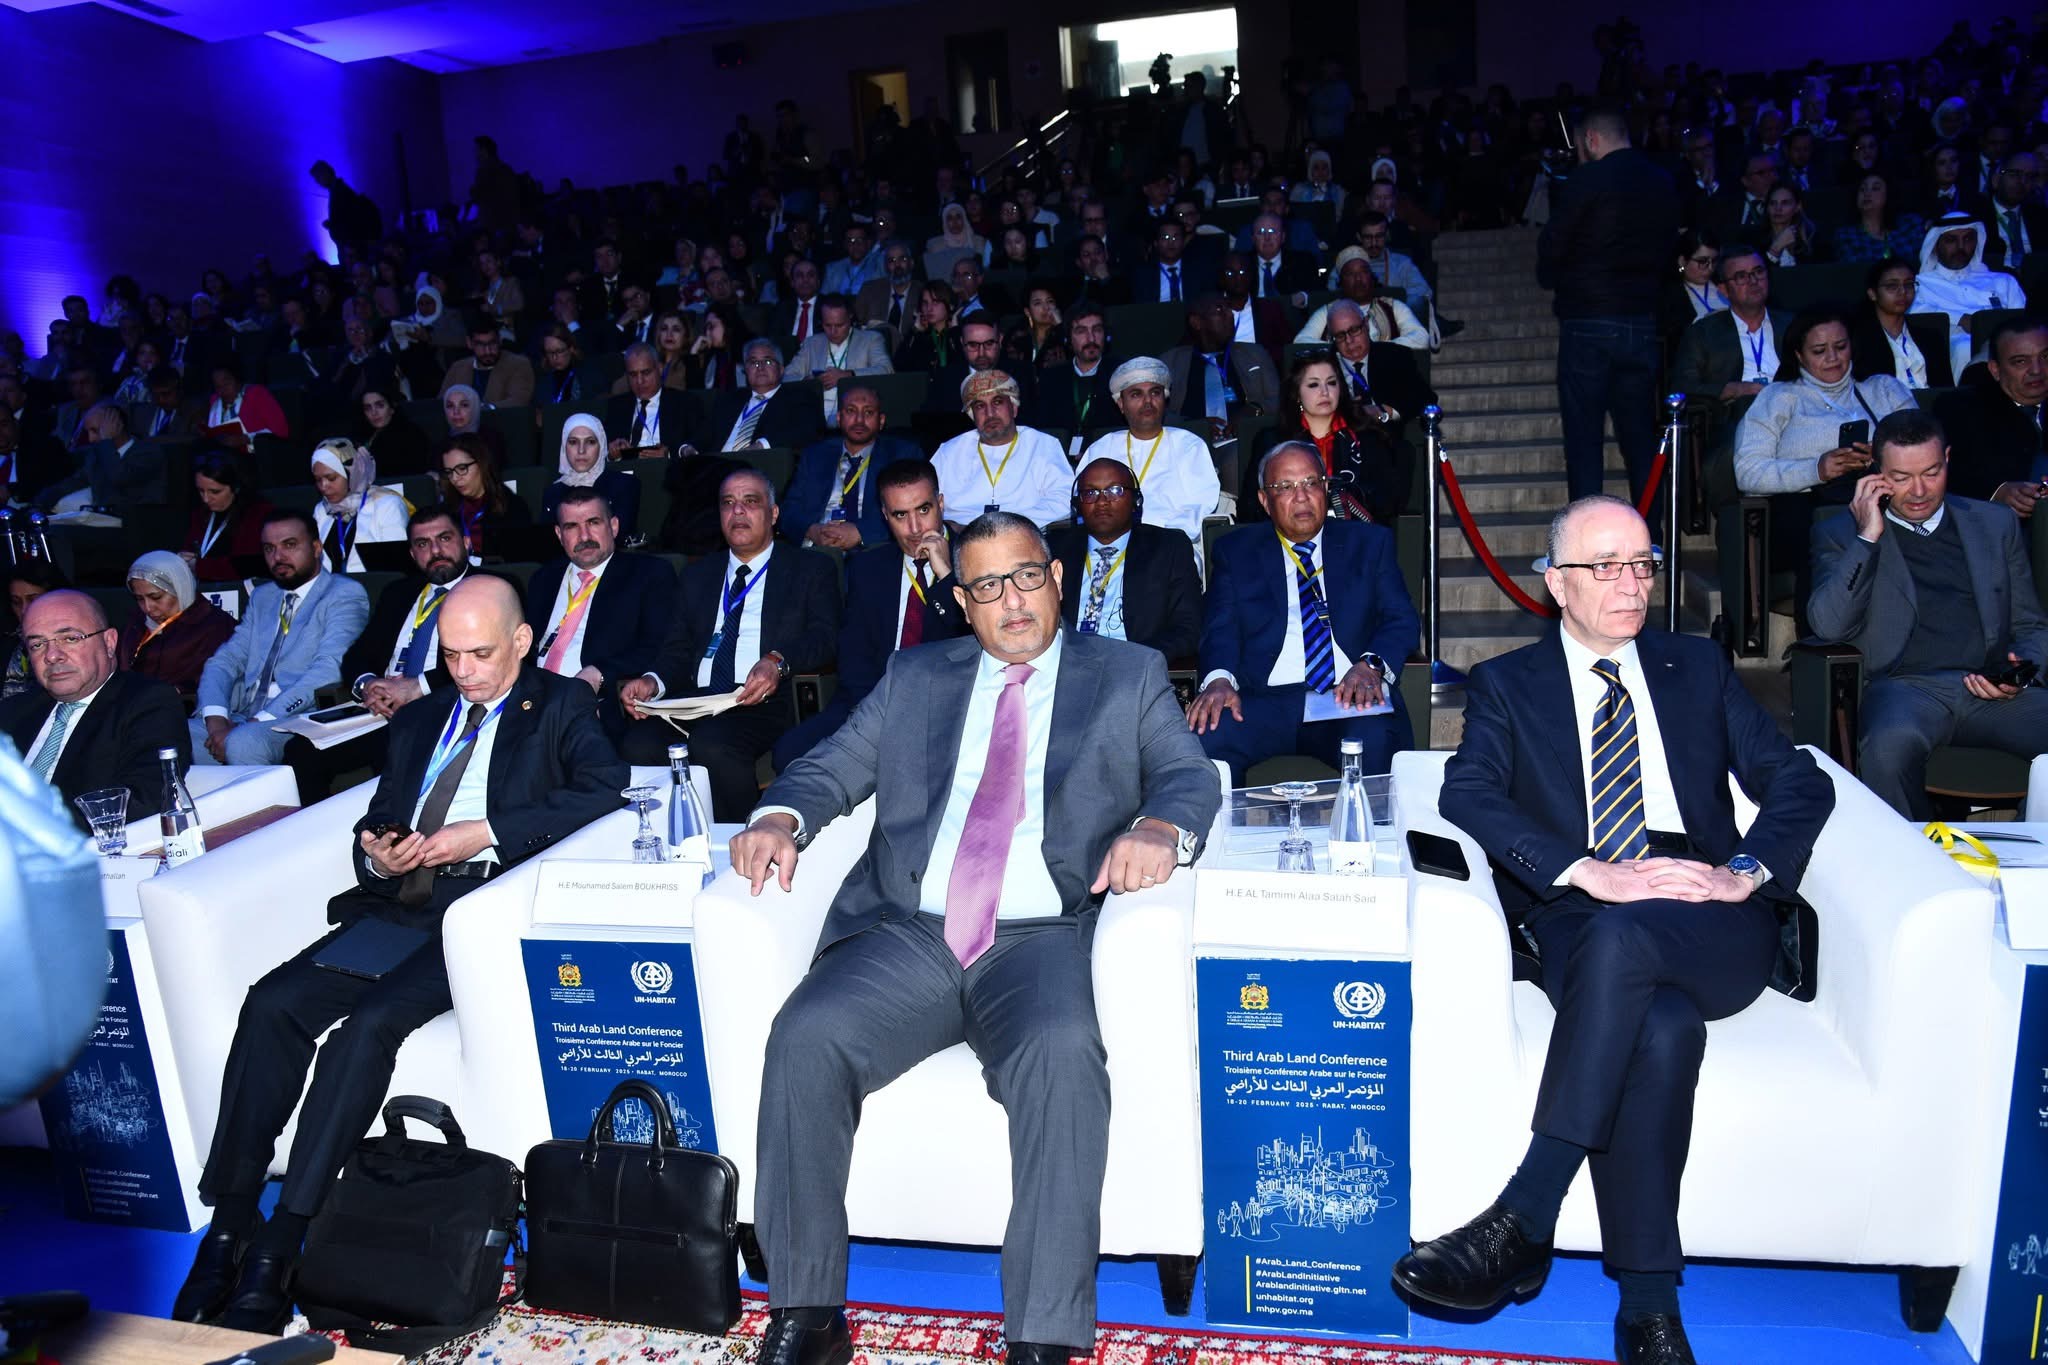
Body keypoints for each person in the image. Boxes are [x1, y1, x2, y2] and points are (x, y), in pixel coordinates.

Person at [727, 509, 1221, 1365]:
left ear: (1057, 578)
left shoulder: (1127, 673)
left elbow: (1188, 772)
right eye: (987, 586)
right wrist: (779, 816)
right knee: (804, 1034)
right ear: (962, 601)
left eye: (1026, 576)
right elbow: (834, 763)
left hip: (1042, 936)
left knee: (1063, 1054)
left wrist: (1159, 828)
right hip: (910, 932)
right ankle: (807, 1314)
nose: (1013, 601)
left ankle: (1042, 1338)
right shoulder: (916, 674)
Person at [1398, 494, 1834, 1365]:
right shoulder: (1509, 683)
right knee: (1660, 1027)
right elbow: (1466, 791)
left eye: (1642, 564)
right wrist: (1587, 869)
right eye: (1606, 567)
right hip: (1581, 911)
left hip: (1709, 913)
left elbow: (1799, 781)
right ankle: (1649, 1309)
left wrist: (1741, 871)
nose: (1632, 584)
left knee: (1631, 944)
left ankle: (1525, 1213)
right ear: (1556, 583)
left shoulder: (1695, 666)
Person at [173, 577, 624, 1333]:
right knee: (272, 1004)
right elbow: (383, 811)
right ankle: (230, 1220)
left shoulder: (561, 707)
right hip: (400, 902)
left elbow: (605, 791)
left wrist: (485, 832)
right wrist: (379, 851)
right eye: (452, 655)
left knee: (369, 1026)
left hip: (479, 908)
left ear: (521, 642)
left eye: (481, 654)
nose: (465, 671)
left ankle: (285, 1237)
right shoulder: (420, 718)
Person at [1809, 407, 2048, 819]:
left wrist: (2019, 673)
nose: (1919, 491)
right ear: (1876, 473)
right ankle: (1913, 853)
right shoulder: (1841, 535)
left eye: (1932, 472)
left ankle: (2032, 846)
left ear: (1948, 459)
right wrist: (1867, 538)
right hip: (1904, 689)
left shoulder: (1994, 523)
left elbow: (2031, 625)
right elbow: (1828, 626)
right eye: (1901, 478)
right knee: (1887, 749)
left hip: (1991, 687)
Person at [1187, 442, 1419, 782]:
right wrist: (1219, 680)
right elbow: (1220, 627)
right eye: (1285, 486)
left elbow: (1400, 618)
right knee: (1204, 734)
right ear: (1265, 500)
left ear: (1325, 489)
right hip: (1262, 699)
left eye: (1311, 482)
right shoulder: (1236, 552)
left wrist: (1370, 666)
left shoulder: (1369, 544)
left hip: (1346, 694)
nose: (1301, 496)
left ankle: (1372, 819)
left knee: (1375, 735)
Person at [619, 468, 842, 818]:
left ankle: (745, 834)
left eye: (750, 502)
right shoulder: (697, 575)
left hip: (763, 698)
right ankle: (673, 837)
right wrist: (653, 681)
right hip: (698, 701)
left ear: (773, 513)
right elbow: (677, 650)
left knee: (712, 742)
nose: (737, 511)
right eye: (728, 503)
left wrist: (777, 661)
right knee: (638, 743)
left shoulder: (810, 569)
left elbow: (824, 637)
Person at [770, 458, 973, 771]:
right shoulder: (868, 567)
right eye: (900, 515)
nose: (915, 528)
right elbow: (854, 654)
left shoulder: (973, 559)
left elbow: (975, 641)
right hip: (873, 703)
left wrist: (946, 575)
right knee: (789, 753)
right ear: (885, 516)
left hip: (947, 708)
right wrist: (877, 711)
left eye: (923, 510)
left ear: (941, 504)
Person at [282, 506, 480, 803]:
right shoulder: (398, 593)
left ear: (465, 542)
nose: (435, 551)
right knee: (300, 751)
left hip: (441, 703)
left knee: (392, 748)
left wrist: (416, 687)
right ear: (412, 554)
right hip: (381, 709)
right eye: (423, 544)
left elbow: (484, 660)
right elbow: (357, 655)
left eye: (444, 538)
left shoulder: (487, 588)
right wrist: (369, 685)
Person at [1537, 103, 1682, 503]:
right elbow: (1670, 249)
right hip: (1642, 319)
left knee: (1584, 439)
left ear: (1591, 139)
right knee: (1640, 439)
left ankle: (1585, 533)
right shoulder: (1662, 180)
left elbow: (1552, 248)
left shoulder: (1586, 180)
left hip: (1588, 318)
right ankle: (1650, 532)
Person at [190, 510, 371, 766]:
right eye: (269, 548)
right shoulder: (263, 597)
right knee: (173, 734)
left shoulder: (343, 593)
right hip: (243, 712)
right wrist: (216, 720)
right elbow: (225, 661)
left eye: (290, 545)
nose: (278, 557)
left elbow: (329, 670)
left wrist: (258, 720)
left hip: (298, 716)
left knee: (243, 742)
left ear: (316, 548)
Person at [0, 589, 191, 831]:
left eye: (70, 639)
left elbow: (143, 799)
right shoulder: (13, 711)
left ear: (109, 642)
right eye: (37, 644)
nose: (52, 656)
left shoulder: (147, 703)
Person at [525, 487, 677, 741]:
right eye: (572, 527)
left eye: (593, 522)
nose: (584, 536)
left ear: (614, 526)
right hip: (534, 702)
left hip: (599, 704)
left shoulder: (648, 574)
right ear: (559, 534)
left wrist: (600, 673)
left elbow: (659, 645)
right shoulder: (543, 579)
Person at [1733, 309, 1917, 500]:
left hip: (1887, 501)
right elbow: (1747, 473)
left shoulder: (1885, 389)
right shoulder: (1776, 397)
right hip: (1806, 507)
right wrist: (1816, 470)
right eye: (1819, 351)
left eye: (1841, 347)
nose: (1832, 357)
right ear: (1799, 355)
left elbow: (1925, 449)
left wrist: (1885, 455)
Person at [1049, 456, 1201, 659]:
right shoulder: (1054, 548)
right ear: (1077, 505)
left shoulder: (1169, 547)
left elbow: (1188, 629)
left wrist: (1133, 659)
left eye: (1115, 490)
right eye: (1090, 493)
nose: (1102, 501)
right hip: (1065, 661)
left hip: (1134, 662)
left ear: (1136, 501)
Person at [1254, 347, 1421, 527]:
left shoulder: (1368, 437)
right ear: (1297, 394)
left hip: (1355, 535)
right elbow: (1253, 508)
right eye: (1314, 385)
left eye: (1331, 383)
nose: (1325, 392)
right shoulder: (1273, 442)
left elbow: (1386, 503)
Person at [1076, 358, 1220, 549]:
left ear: (1164, 400)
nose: (1148, 402)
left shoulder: (1189, 445)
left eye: (1155, 393)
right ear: (1121, 404)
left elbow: (1200, 506)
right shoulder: (1101, 448)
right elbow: (1085, 502)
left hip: (1169, 544)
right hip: (1108, 543)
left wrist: (1157, 538)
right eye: (1136, 394)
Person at [783, 381, 920, 551]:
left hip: (872, 550)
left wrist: (860, 533)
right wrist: (812, 531)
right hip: (816, 550)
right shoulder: (815, 455)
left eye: (868, 412)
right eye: (851, 411)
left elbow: (911, 511)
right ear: (839, 418)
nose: (859, 420)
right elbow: (789, 509)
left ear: (881, 420)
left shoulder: (902, 454)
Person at [930, 370, 1073, 530]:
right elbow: (926, 500)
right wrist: (952, 528)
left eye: (997, 402)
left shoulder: (1043, 445)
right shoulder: (949, 452)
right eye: (980, 406)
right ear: (972, 415)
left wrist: (1008, 526)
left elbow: (1064, 499)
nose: (990, 413)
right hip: (961, 536)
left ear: (1014, 408)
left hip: (1024, 534)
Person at [1935, 316, 2048, 516]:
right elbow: (1946, 473)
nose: (2037, 370)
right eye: (2021, 361)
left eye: (2045, 357)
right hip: (1999, 524)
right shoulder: (1960, 410)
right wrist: (1997, 492)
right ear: (1995, 370)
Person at [1670, 246, 1791, 425]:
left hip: (1791, 408)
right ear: (1724, 290)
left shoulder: (1791, 325)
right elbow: (1682, 386)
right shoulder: (1704, 333)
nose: (1753, 281)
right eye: (1741, 276)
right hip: (1737, 416)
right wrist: (1731, 389)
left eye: (1758, 272)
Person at [1163, 296, 1280, 451]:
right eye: (1219, 310)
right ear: (1196, 322)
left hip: (1244, 443)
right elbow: (1158, 412)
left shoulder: (1254, 354)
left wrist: (1255, 409)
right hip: (1189, 445)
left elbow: (1280, 400)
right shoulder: (1171, 362)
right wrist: (1195, 426)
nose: (1230, 315)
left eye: (1229, 310)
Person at [118, 551, 238, 697]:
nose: (148, 607)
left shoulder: (215, 627)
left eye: (156, 597)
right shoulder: (135, 625)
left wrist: (179, 690)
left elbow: (221, 680)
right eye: (139, 599)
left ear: (180, 588)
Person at [1913, 217, 2020, 379]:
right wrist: (1960, 319)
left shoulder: (2004, 281)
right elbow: (1914, 314)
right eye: (1951, 240)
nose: (1961, 247)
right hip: (1951, 349)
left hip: (2003, 342)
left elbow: (2023, 317)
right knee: (1964, 347)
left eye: (1968, 239)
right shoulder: (1920, 284)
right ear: (1935, 245)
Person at [686, 338, 819, 454]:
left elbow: (807, 430)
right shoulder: (728, 400)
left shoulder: (798, 398)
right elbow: (702, 435)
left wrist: (761, 446)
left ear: (781, 369)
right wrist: (689, 448)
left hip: (763, 465)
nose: (760, 367)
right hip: (719, 465)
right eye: (753, 362)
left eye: (767, 362)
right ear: (745, 370)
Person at [34, 401, 168, 513]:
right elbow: (73, 483)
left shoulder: (148, 452)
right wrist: (39, 504)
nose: (90, 439)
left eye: (95, 431)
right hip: (103, 522)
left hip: (137, 523)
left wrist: (106, 441)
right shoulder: (97, 454)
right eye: (88, 432)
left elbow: (119, 477)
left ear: (117, 426)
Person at [1292, 251, 1430, 351]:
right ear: (1341, 282)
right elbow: (1300, 341)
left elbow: (1422, 337)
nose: (1358, 279)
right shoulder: (1327, 311)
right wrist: (1341, 348)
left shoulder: (1393, 306)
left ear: (1372, 277)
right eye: (1350, 274)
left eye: (1363, 272)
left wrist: (1376, 349)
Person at [1850, 260, 1954, 391]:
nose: (1903, 292)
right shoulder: (1859, 339)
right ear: (1873, 294)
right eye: (1892, 286)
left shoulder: (1931, 338)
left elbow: (1947, 390)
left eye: (1909, 285)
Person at [789, 294, 893, 425]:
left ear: (850, 317)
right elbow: (786, 376)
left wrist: (848, 375)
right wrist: (809, 382)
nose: (833, 331)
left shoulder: (871, 339)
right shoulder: (811, 344)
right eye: (827, 325)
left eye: (839, 325)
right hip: (814, 413)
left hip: (854, 414)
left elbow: (886, 370)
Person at [309, 439, 409, 575]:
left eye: (331, 478)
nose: (323, 486)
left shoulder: (388, 505)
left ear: (353, 473)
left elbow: (396, 568)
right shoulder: (321, 510)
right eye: (318, 480)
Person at [1023, 303, 1116, 444]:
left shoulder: (1119, 373)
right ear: (1068, 338)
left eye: (1097, 330)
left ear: (1106, 335)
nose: (1091, 339)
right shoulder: (1051, 378)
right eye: (1081, 331)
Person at [542, 413, 643, 537]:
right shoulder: (553, 493)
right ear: (564, 447)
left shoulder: (624, 485)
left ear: (601, 446)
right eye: (573, 442)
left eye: (590, 442)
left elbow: (620, 536)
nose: (581, 450)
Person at [180, 453, 275, 583]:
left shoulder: (259, 513)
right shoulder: (201, 513)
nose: (206, 499)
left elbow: (252, 565)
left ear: (236, 487)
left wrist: (200, 567)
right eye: (201, 491)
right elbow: (190, 548)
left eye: (215, 492)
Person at [439, 435, 532, 559]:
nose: (455, 478)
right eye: (449, 472)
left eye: (462, 468)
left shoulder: (512, 507)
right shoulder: (447, 510)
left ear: (482, 464)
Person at [3, 561, 70, 702]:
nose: (24, 610)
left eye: (33, 600)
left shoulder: (74, 641)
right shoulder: (9, 640)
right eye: (16, 602)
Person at [439, 311, 535, 409]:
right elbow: (442, 402)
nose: (488, 351)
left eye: (492, 343)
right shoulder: (458, 368)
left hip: (500, 418)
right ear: (469, 343)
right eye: (480, 345)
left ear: (499, 340)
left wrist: (485, 408)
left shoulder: (518, 364)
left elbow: (519, 401)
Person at [1831, 173, 1926, 264]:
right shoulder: (1847, 236)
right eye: (1862, 189)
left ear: (1888, 194)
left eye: (1875, 188)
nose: (1867, 193)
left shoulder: (1910, 225)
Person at [1657, 229, 1725, 351]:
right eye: (1702, 261)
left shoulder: (1724, 282)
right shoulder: (1671, 295)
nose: (1710, 268)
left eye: (1714, 261)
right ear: (1683, 261)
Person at [203, 360, 289, 452]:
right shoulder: (215, 400)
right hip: (225, 454)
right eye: (218, 387)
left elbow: (281, 431)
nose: (222, 390)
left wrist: (246, 438)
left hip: (258, 453)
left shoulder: (257, 394)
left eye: (227, 384)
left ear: (237, 379)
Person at [353, 382, 434, 477]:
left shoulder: (410, 434)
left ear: (392, 408)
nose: (374, 412)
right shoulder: (362, 435)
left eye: (380, 405)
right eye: (368, 408)